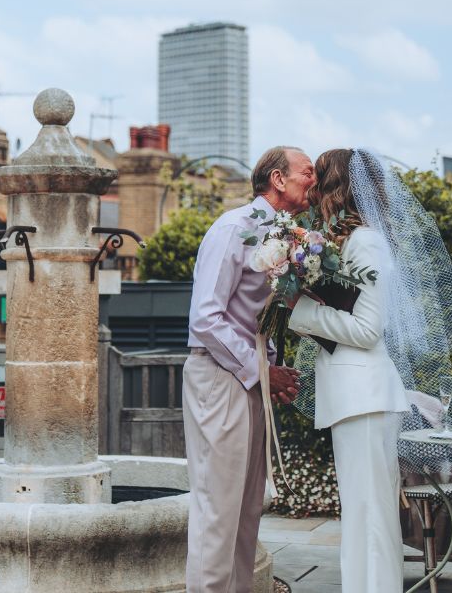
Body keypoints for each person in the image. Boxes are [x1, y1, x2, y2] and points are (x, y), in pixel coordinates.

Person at [287, 147, 452, 593]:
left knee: (370, 518)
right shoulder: (350, 241)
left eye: (319, 180)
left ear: (337, 186)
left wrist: (300, 312)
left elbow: (368, 330)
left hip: (365, 396)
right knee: (362, 515)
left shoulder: (364, 241)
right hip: (356, 397)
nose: (311, 189)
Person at [184, 145, 310, 593]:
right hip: (219, 376)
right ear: (278, 179)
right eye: (307, 173)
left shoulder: (289, 236)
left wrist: (271, 367)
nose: (313, 181)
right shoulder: (233, 228)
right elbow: (206, 318)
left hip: (249, 377)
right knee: (218, 506)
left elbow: (260, 319)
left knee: (247, 506)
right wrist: (261, 371)